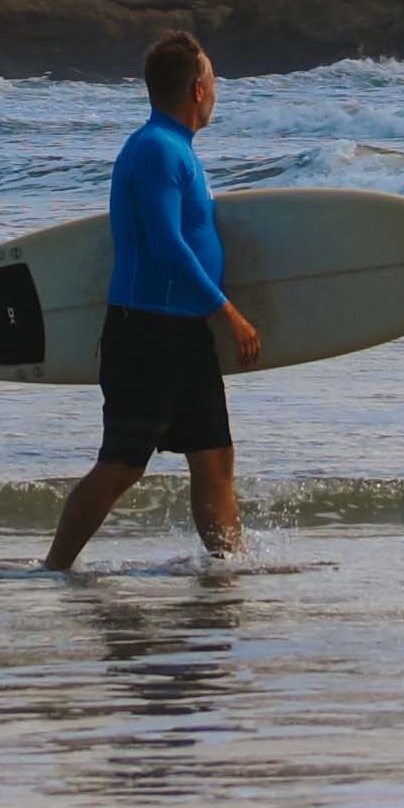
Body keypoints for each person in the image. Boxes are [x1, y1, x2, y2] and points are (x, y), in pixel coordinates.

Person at [46, 30, 258, 569]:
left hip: (185, 335)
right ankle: (54, 568)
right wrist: (227, 312)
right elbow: (167, 246)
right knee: (122, 464)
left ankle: (230, 572)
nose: (216, 92)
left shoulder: (173, 150)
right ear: (195, 90)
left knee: (214, 460)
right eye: (212, 82)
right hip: (147, 334)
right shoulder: (156, 151)